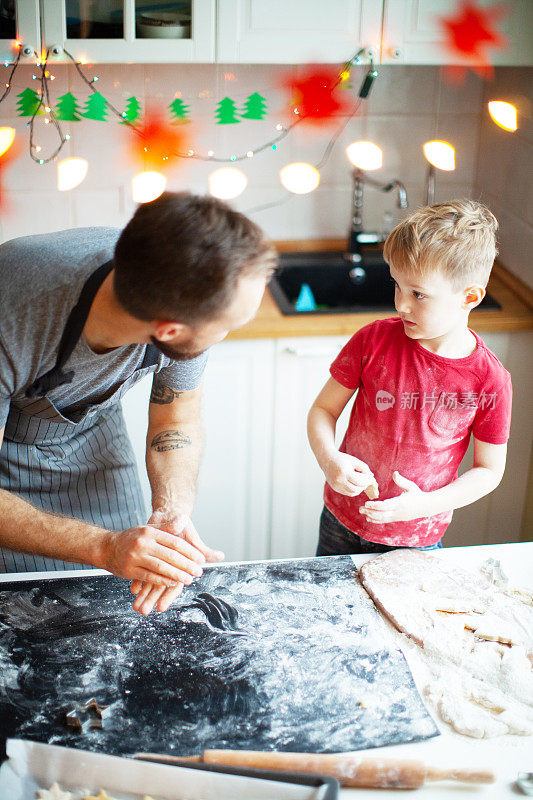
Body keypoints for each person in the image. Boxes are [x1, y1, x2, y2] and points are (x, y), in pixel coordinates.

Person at [0, 191, 277, 614]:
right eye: (227, 328)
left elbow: (177, 419)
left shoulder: (182, 285)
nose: (228, 334)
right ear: (168, 331)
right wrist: (104, 546)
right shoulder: (13, 317)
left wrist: (171, 511)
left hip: (94, 434)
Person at [308, 200, 512, 556]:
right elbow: (323, 411)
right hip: (340, 519)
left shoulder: (489, 380)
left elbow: (489, 471)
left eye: (418, 294)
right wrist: (329, 460)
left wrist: (424, 505)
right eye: (398, 286)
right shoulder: (372, 340)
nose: (401, 304)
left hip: (416, 538)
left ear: (470, 297)